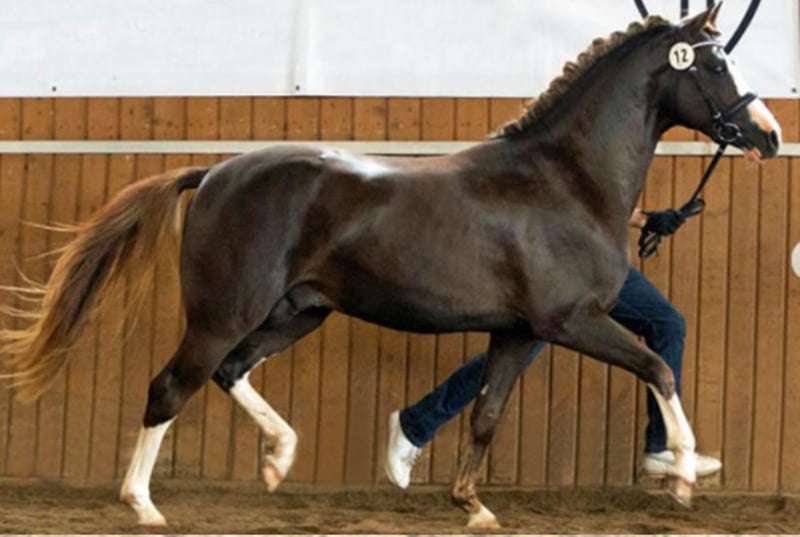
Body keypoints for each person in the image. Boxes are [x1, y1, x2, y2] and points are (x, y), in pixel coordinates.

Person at [384, 206, 722, 488]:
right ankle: (415, 424)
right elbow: (569, 197)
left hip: (597, 260)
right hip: (554, 266)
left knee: (666, 324)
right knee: (512, 357)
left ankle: (660, 448)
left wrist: (644, 219)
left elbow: (594, 194)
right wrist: (645, 220)